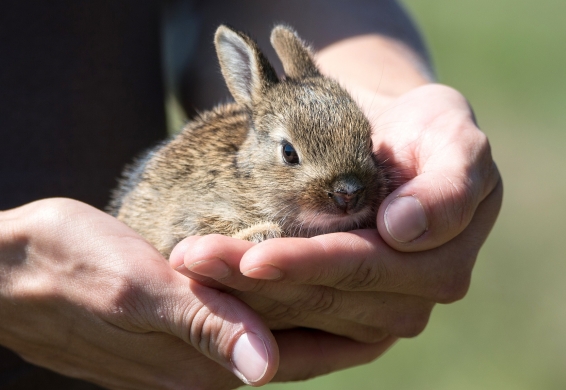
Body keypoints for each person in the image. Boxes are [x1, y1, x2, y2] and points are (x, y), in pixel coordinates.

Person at [0, 1, 502, 388]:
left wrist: (397, 96)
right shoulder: (228, 197)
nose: (349, 190)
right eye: (292, 157)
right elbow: (181, 232)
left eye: (363, 149)